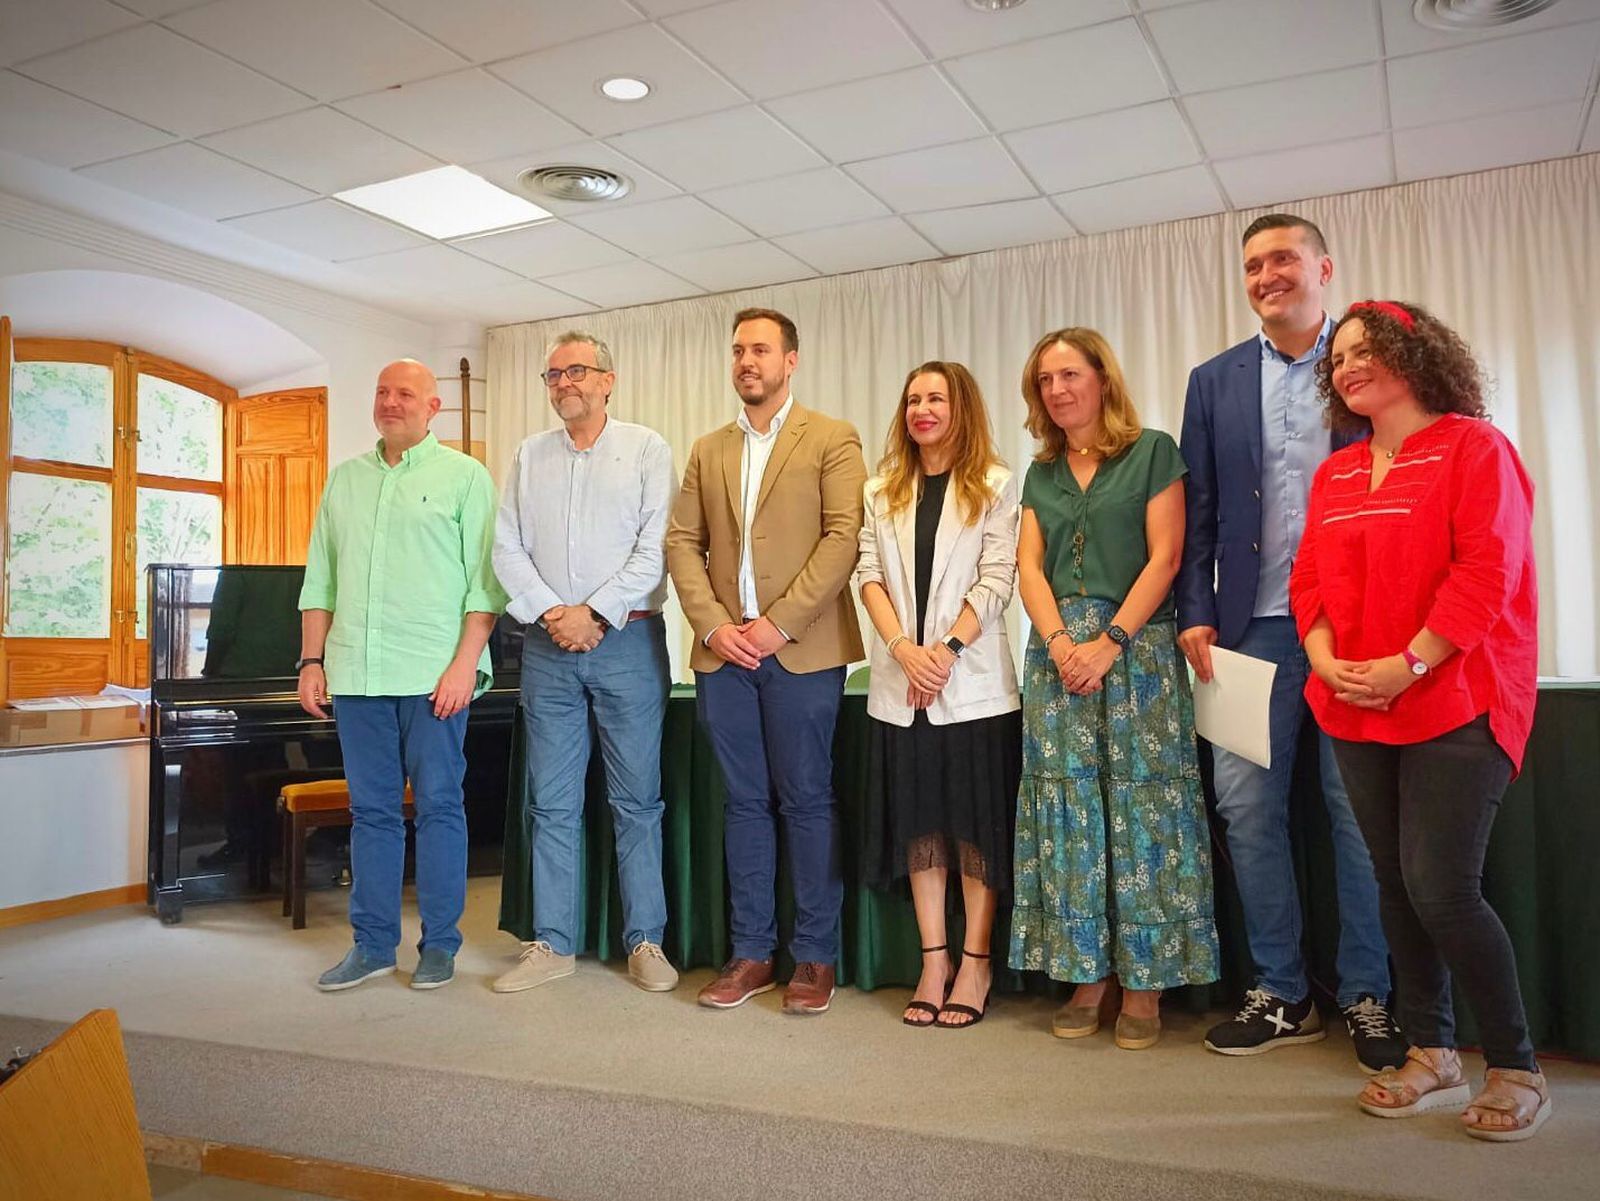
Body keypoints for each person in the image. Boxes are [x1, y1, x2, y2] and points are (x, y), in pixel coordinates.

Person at [1292, 300, 1548, 1140]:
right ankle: (1432, 1051)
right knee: (1394, 886)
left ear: (1416, 353)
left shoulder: (1476, 446)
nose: (1349, 366)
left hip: (1455, 695)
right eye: (1339, 359)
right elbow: (1311, 584)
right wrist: (1326, 658)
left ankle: (1514, 1063)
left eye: (1369, 350)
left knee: (1443, 886)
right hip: (1354, 703)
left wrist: (1410, 663)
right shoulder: (1336, 472)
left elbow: (1488, 570)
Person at [1177, 214, 1405, 1071]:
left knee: (1356, 818)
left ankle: (1369, 994)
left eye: (1282, 259)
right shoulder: (1214, 380)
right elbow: (1198, 507)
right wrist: (1193, 608)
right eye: (1252, 265)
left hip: (1358, 630)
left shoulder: (1369, 366)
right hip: (1244, 631)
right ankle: (1282, 991)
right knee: (1245, 810)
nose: (1267, 274)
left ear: (1323, 267)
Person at [1009, 328, 1219, 1049]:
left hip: (1138, 654)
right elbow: (1028, 567)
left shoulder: (1153, 449)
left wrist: (1110, 643)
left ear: (1102, 378)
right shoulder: (1039, 471)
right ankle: (1086, 971)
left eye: (1071, 373)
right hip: (1058, 658)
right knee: (1072, 813)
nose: (1058, 389)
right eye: (1045, 380)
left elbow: (1166, 557)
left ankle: (1146, 982)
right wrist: (1064, 644)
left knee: (1143, 811)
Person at [665, 307, 866, 1016]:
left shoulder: (833, 438)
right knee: (745, 804)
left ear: (791, 360)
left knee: (808, 801)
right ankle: (751, 952)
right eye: (738, 350)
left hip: (803, 651)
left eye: (760, 349)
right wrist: (717, 628)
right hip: (724, 656)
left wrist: (777, 624)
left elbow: (843, 539)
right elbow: (681, 543)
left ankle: (814, 957)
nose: (746, 361)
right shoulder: (707, 447)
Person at [298, 359, 506, 992]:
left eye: (405, 393)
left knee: (441, 807)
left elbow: (486, 586)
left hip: (435, 676)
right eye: (382, 391)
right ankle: (373, 946)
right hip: (357, 672)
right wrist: (312, 660)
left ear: (432, 407)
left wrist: (464, 666)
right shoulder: (345, 481)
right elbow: (320, 580)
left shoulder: (466, 478)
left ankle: (439, 945)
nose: (391, 402)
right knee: (373, 813)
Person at [490, 332, 678, 996]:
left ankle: (645, 940)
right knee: (551, 804)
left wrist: (594, 613)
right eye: (554, 373)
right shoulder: (527, 455)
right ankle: (553, 945)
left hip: (627, 640)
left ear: (607, 379)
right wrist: (552, 611)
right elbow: (506, 547)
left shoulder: (648, 449)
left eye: (577, 370)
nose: (564, 382)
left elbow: (655, 549)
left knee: (636, 801)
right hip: (546, 646)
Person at [856, 361, 1021, 1029]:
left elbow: (998, 576)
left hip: (972, 684)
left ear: (962, 408)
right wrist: (904, 650)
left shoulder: (996, 485)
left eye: (936, 397)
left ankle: (976, 963)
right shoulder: (881, 489)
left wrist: (947, 650)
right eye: (914, 398)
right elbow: (868, 574)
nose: (923, 408)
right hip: (902, 682)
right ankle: (934, 960)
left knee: (974, 831)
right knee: (921, 829)